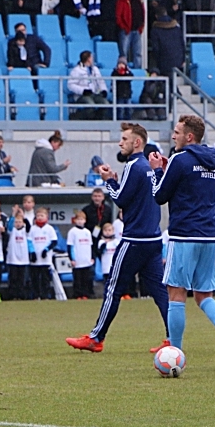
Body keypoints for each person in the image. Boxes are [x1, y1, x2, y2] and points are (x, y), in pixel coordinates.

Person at [66, 123, 170, 352]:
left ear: (137, 142)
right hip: (153, 239)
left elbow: (121, 199)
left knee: (113, 288)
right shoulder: (148, 167)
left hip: (134, 239)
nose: (120, 142)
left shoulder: (134, 165)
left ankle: (96, 338)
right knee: (160, 291)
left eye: (124, 138)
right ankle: (173, 338)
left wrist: (109, 181)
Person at [149, 114, 215, 369]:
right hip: (210, 234)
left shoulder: (180, 159)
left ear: (189, 136)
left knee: (176, 293)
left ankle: (175, 353)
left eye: (177, 132)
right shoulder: (214, 162)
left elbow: (160, 195)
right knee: (204, 295)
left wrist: (158, 170)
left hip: (184, 233)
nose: (173, 136)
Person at [68, 50, 109, 120]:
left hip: (94, 93)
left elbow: (100, 81)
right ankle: (77, 117)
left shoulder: (95, 69)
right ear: (88, 59)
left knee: (106, 104)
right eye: (91, 57)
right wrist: (83, 91)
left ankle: (98, 120)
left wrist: (104, 90)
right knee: (90, 104)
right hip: (82, 95)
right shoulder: (76, 70)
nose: (92, 59)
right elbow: (70, 85)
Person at [28, 207, 57, 300]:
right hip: (35, 259)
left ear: (46, 217)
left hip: (45, 259)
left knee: (45, 279)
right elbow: (29, 241)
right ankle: (36, 295)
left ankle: (45, 295)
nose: (40, 217)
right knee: (35, 278)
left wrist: (46, 250)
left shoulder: (49, 228)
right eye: (38, 216)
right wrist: (32, 252)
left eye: (42, 216)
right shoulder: (33, 229)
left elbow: (54, 241)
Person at [149, 5, 184, 78]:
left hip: (164, 64)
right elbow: (182, 44)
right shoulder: (176, 27)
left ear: (156, 16)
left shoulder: (155, 30)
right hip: (178, 62)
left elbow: (156, 49)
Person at [66, 211, 95, 299]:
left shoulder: (87, 232)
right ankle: (78, 294)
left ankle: (85, 294)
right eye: (78, 219)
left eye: (82, 219)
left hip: (86, 259)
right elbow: (70, 246)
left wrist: (92, 257)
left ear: (85, 221)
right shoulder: (72, 232)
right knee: (77, 279)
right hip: (77, 260)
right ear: (75, 220)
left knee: (86, 278)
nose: (80, 221)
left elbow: (90, 246)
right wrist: (72, 259)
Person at [116, 0, 146, 69]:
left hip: (137, 30)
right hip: (126, 31)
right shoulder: (122, 0)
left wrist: (141, 27)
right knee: (123, 53)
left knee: (137, 53)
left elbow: (143, 14)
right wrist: (123, 27)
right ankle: (122, 71)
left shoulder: (140, 1)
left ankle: (137, 71)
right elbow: (118, 16)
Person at [5, 209, 31, 301]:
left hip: (23, 259)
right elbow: (9, 226)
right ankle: (12, 295)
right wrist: (13, 214)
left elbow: (28, 226)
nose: (18, 224)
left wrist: (24, 216)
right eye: (16, 222)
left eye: (20, 222)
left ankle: (21, 295)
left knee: (22, 279)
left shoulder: (26, 231)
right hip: (12, 259)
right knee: (13, 278)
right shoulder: (12, 232)